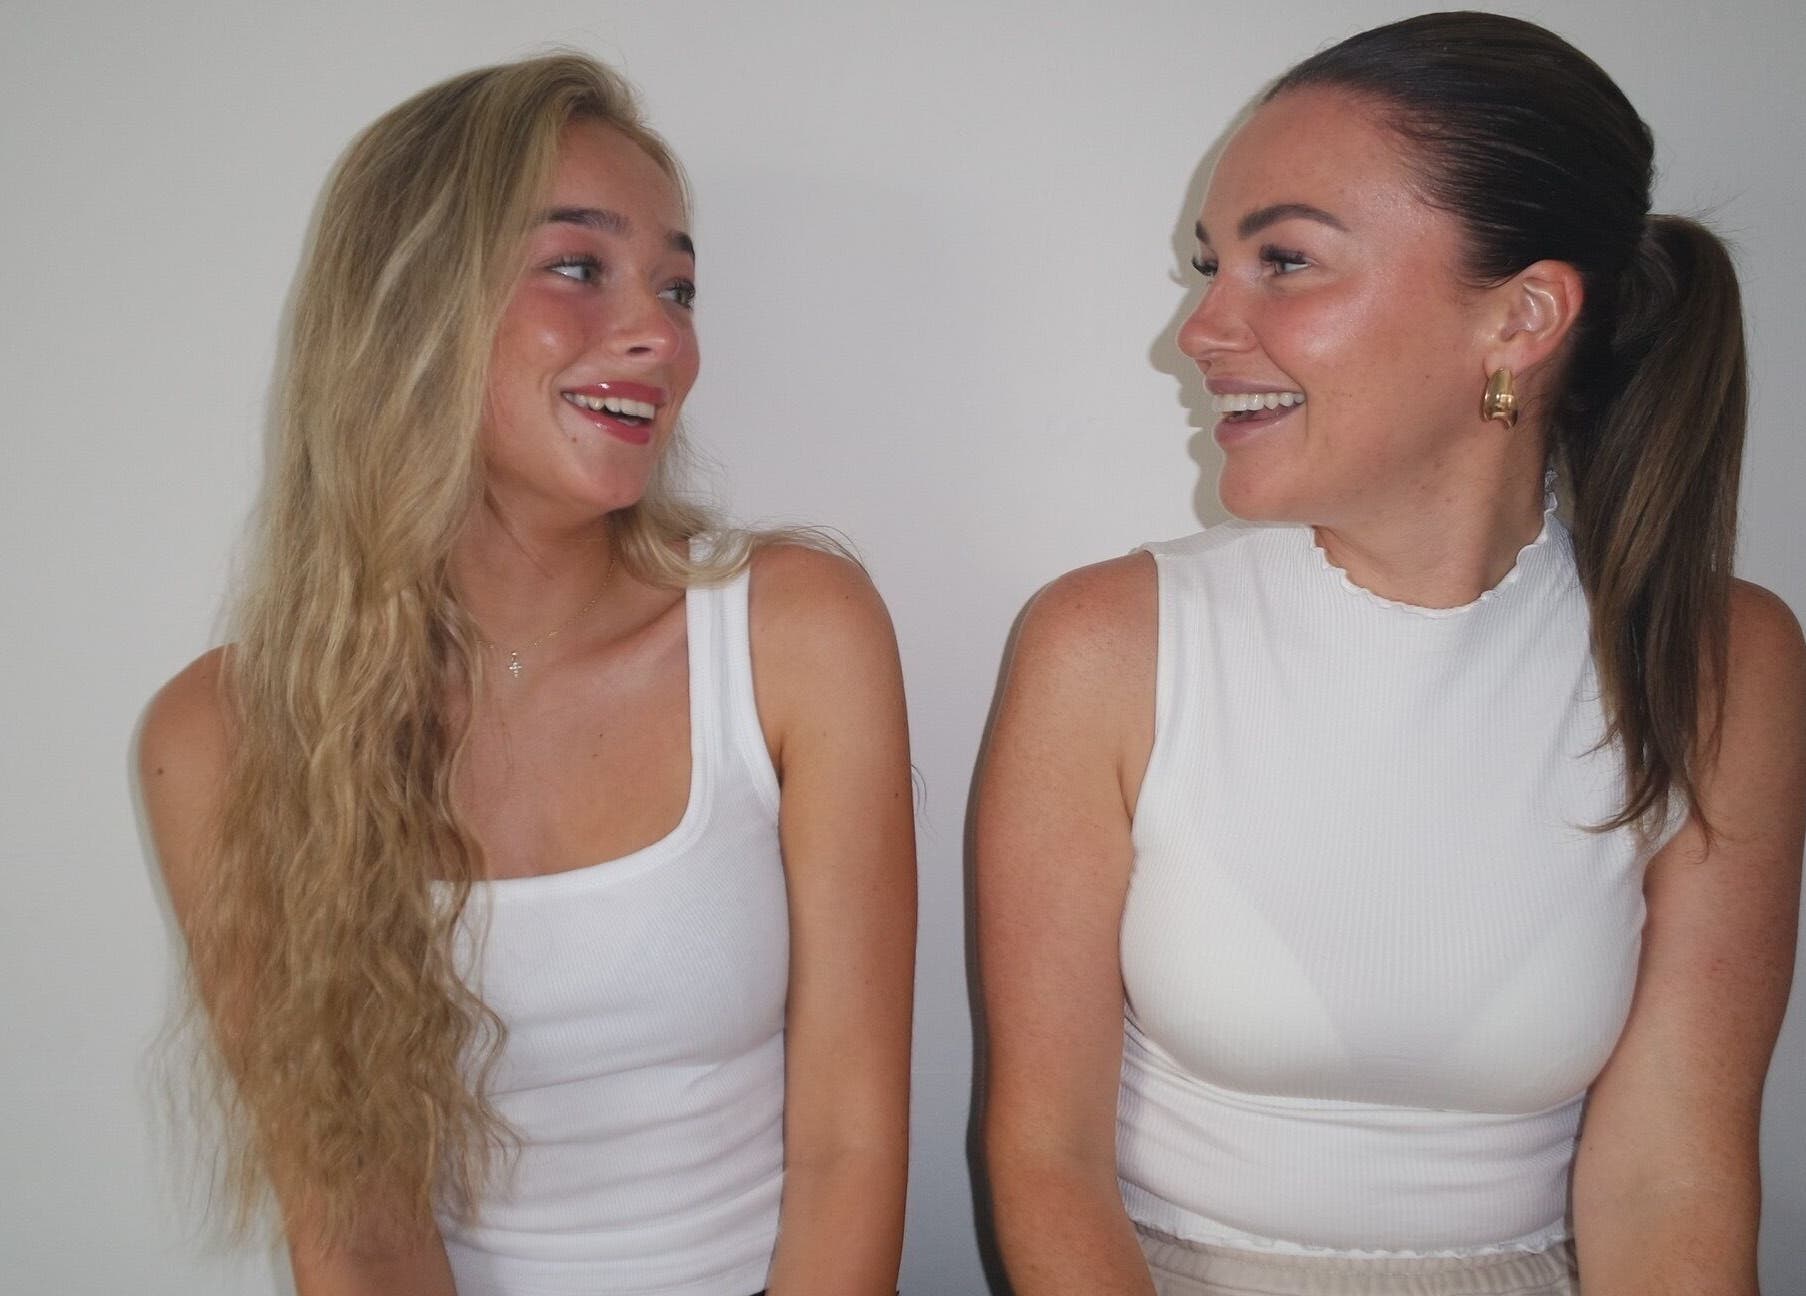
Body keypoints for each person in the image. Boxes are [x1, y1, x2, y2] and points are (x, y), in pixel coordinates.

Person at [977, 12, 1804, 1296]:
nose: (1199, 330)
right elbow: (1047, 1158)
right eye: (1211, 265)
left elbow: (1672, 1181)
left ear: (1523, 316)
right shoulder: (1106, 646)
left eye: (1285, 261)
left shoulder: (1719, 662)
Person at [138, 54, 914, 1296]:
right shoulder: (222, 734)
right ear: (413, 305)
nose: (661, 335)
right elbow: (356, 1231)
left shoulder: (794, 632)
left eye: (678, 286)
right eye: (578, 266)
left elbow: (852, 1145)